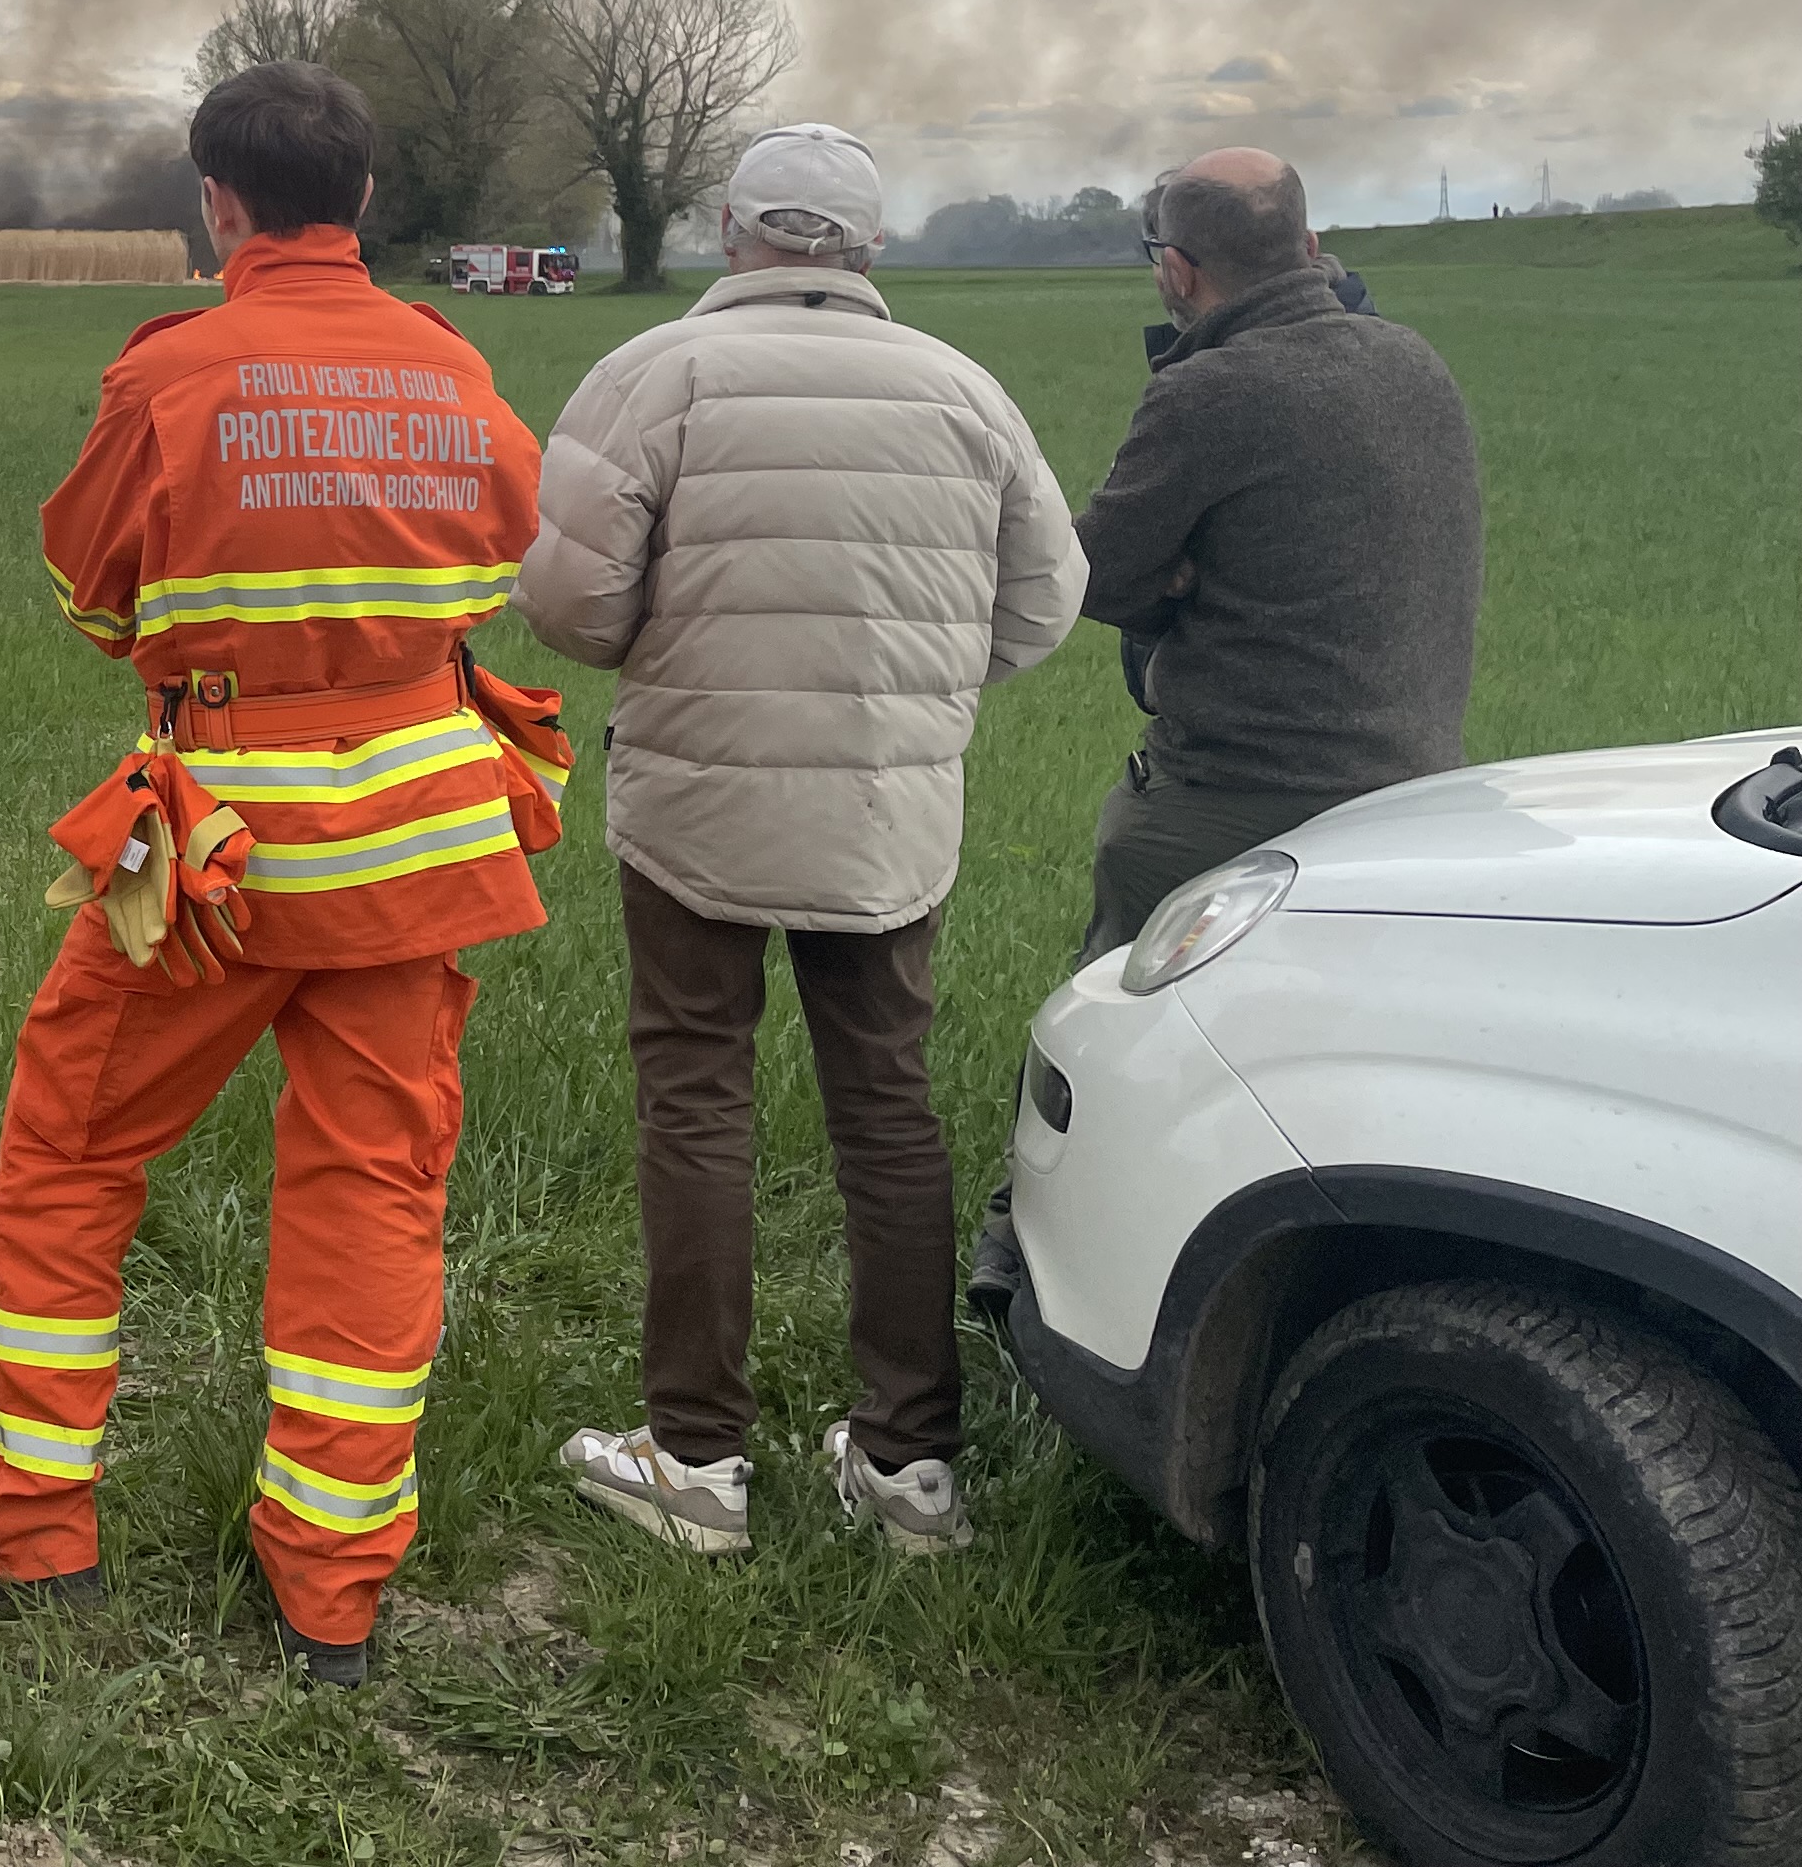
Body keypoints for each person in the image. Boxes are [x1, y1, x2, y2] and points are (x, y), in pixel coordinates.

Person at [0, 61, 558, 1687]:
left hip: (211, 846)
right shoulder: (452, 362)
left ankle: (23, 1530)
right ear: (366, 198)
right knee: (375, 1187)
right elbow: (505, 552)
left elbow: (89, 592)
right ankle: (330, 1589)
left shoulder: (171, 371)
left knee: (72, 1142)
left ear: (218, 202)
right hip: (420, 837)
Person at [515, 123, 1078, 1559]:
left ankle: (696, 1458)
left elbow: (571, 605)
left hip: (694, 805)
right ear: (869, 246)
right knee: (888, 1109)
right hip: (890, 810)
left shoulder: (656, 375)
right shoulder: (964, 390)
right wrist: (910, 691)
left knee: (696, 1097)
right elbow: (1041, 605)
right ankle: (908, 1467)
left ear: (731, 229)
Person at [968, 147, 1479, 1320]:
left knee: (1109, 1029)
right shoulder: (1413, 360)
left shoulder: (1210, 392)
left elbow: (1091, 575)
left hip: (1236, 793)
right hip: (1414, 789)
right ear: (1310, 245)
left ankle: (1033, 1253)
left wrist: (1177, 577)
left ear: (1179, 271)